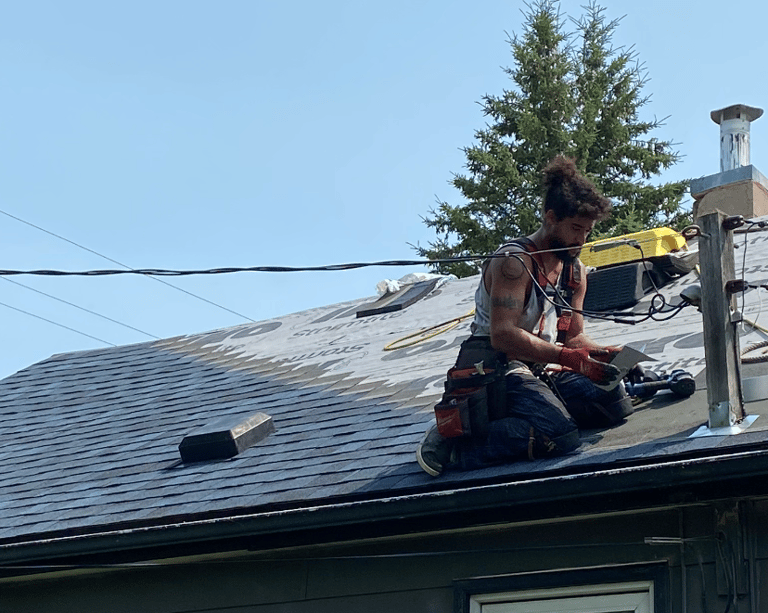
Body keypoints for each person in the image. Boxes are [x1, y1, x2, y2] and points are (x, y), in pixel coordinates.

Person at [417, 156, 633, 477]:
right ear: (550, 217)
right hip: (494, 367)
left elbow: (573, 336)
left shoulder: (575, 271)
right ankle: (459, 444)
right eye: (575, 228)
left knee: (614, 400)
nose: (581, 241)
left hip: (537, 368)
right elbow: (503, 336)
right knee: (561, 435)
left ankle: (525, 414)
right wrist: (572, 359)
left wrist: (601, 355)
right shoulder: (513, 263)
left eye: (587, 231)